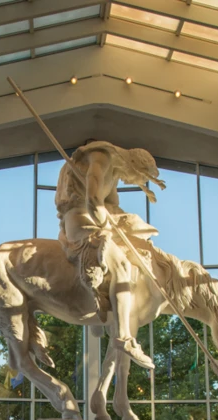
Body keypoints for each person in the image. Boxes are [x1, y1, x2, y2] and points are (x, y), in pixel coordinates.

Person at [55, 141, 165, 369]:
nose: (133, 182)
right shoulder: (100, 158)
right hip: (80, 220)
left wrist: (127, 222)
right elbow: (94, 201)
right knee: (122, 266)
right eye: (138, 179)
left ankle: (102, 309)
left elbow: (111, 204)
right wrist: (110, 227)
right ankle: (124, 336)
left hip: (97, 220)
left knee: (133, 257)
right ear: (134, 167)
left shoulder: (113, 170)